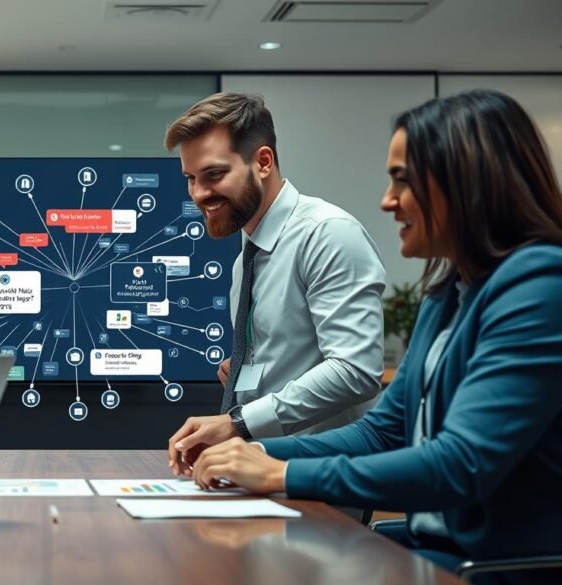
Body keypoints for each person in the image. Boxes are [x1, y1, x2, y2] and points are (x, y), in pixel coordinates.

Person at [187, 90, 562, 578]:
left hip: (491, 568)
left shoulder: (540, 286)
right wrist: (251, 452)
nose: (387, 201)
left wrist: (281, 471)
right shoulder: (447, 293)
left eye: (402, 182)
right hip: (429, 551)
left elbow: (460, 463)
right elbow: (383, 431)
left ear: (469, 184)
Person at [163, 92, 386, 474]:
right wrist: (247, 369)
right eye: (191, 179)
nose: (199, 194)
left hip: (320, 482)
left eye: (214, 174)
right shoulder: (245, 260)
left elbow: (355, 370)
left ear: (263, 162)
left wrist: (238, 422)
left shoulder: (328, 234)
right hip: (257, 476)